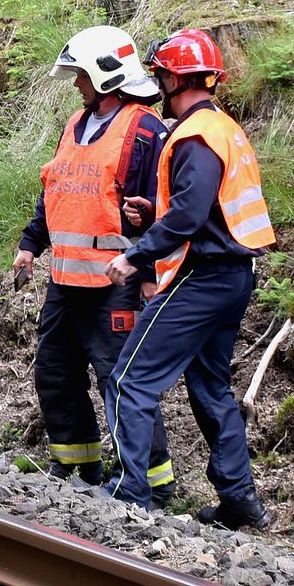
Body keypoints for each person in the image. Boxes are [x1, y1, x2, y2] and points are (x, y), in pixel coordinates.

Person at [102, 28, 275, 528]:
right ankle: (240, 501)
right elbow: (205, 206)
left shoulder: (195, 135)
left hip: (202, 277)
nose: (157, 83)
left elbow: (191, 215)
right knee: (209, 385)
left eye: (159, 74)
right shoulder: (223, 127)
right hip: (235, 274)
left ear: (175, 77)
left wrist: (136, 255)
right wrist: (154, 212)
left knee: (130, 379)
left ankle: (130, 494)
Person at [13, 25, 175, 504]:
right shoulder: (75, 124)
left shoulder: (145, 130)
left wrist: (148, 276)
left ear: (107, 76)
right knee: (55, 371)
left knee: (120, 379)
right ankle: (78, 467)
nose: (76, 84)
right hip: (65, 280)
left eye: (80, 75)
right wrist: (31, 243)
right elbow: (58, 191)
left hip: (116, 282)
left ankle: (151, 481)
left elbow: (165, 212)